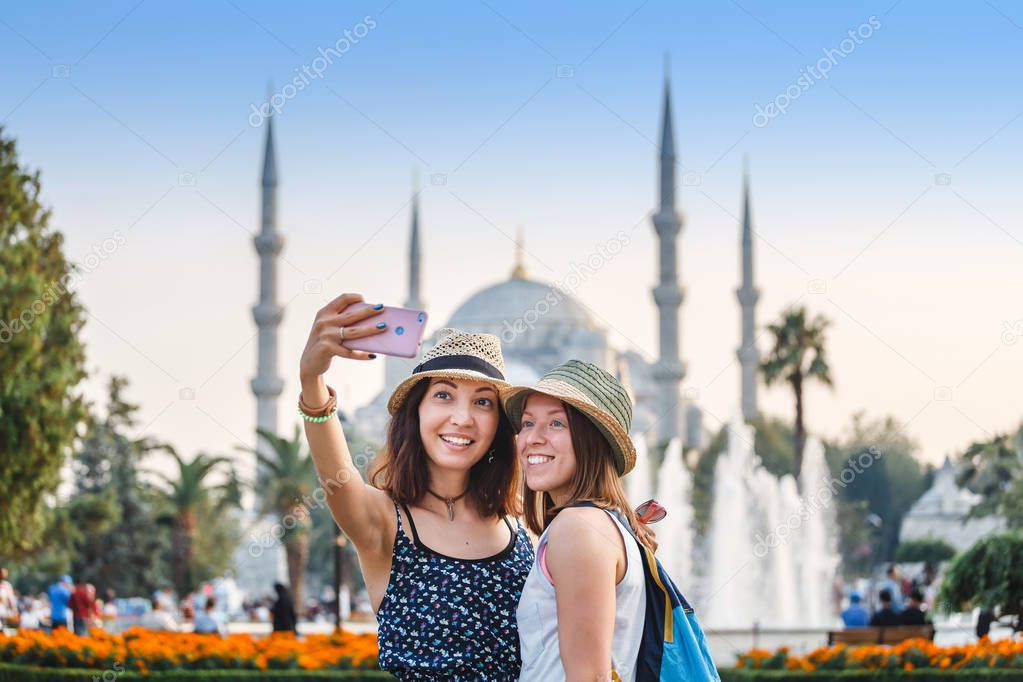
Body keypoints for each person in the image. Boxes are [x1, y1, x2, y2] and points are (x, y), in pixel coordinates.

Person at [299, 294, 532, 680]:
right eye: (443, 395)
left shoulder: (522, 519)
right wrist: (312, 380)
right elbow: (336, 475)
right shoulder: (384, 522)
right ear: (417, 411)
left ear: (499, 426)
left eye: (483, 403)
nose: (462, 418)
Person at [501, 360, 656, 681]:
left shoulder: (577, 528)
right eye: (528, 423)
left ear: (594, 440)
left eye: (556, 424)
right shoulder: (604, 525)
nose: (532, 438)